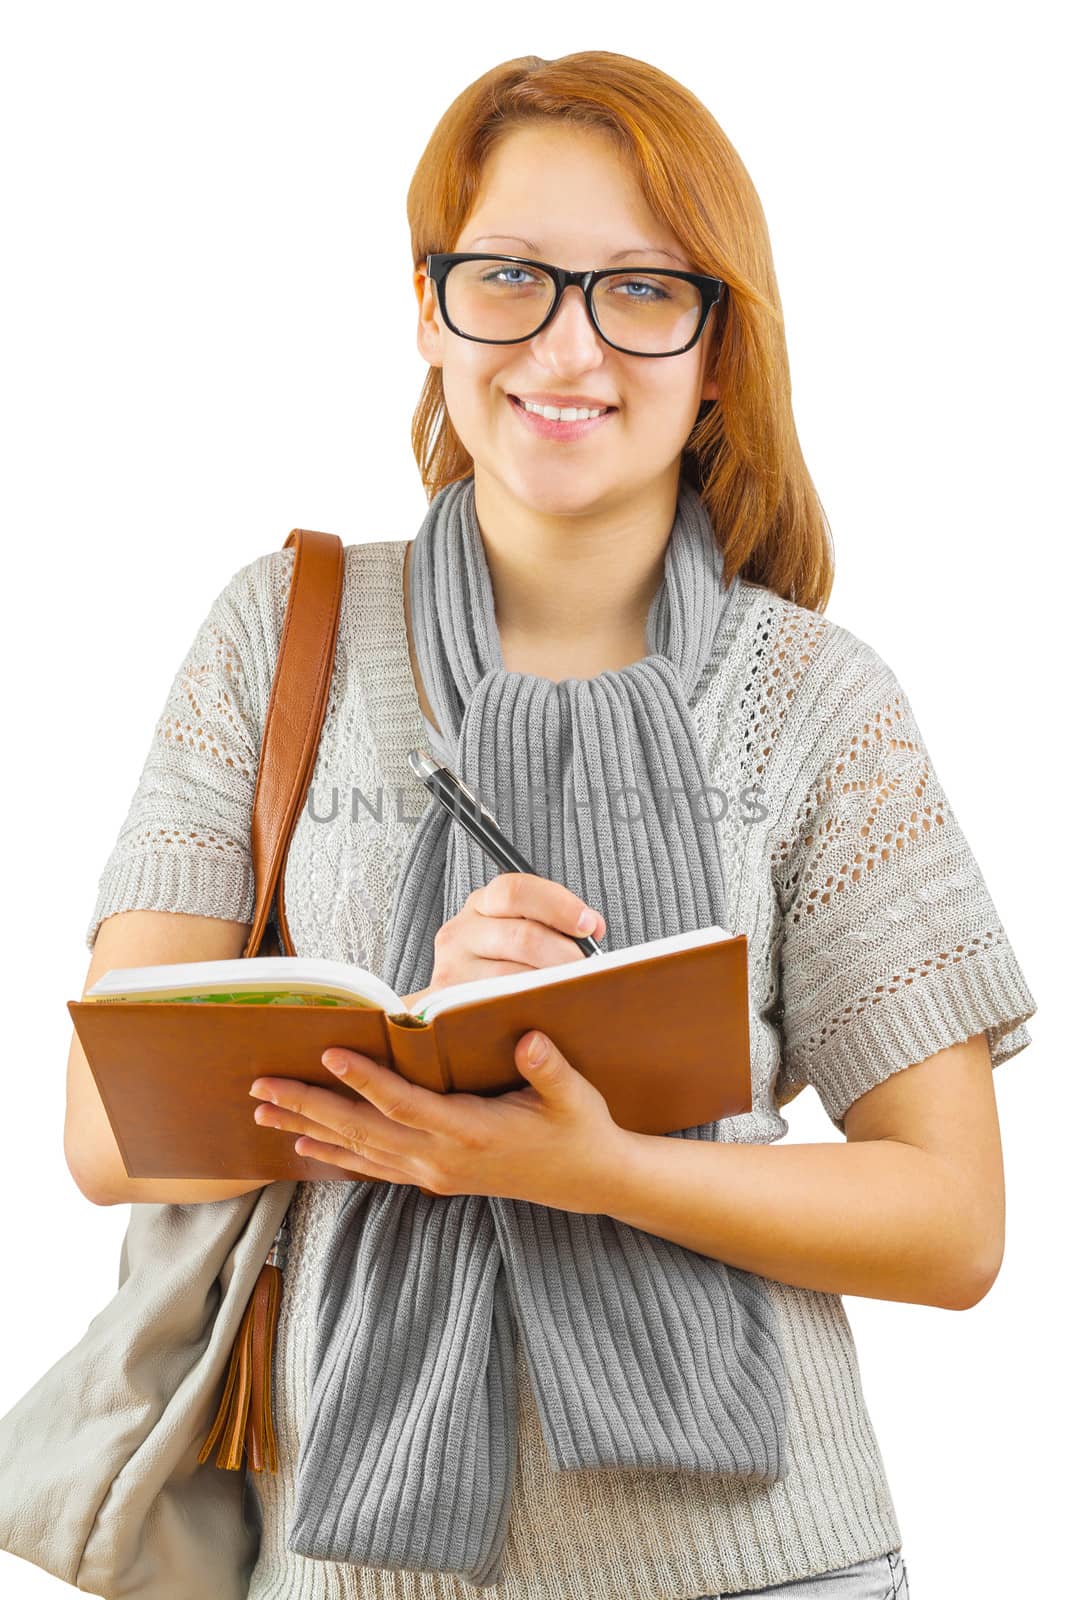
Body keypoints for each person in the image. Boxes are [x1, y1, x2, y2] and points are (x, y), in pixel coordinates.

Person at [65, 50, 1036, 1600]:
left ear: (718, 348)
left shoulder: (820, 701)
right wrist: (408, 1036)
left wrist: (596, 1169)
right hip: (357, 1569)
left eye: (643, 289)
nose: (570, 345)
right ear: (434, 308)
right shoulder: (280, 632)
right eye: (512, 275)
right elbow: (109, 1131)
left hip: (769, 1567)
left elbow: (949, 1219)